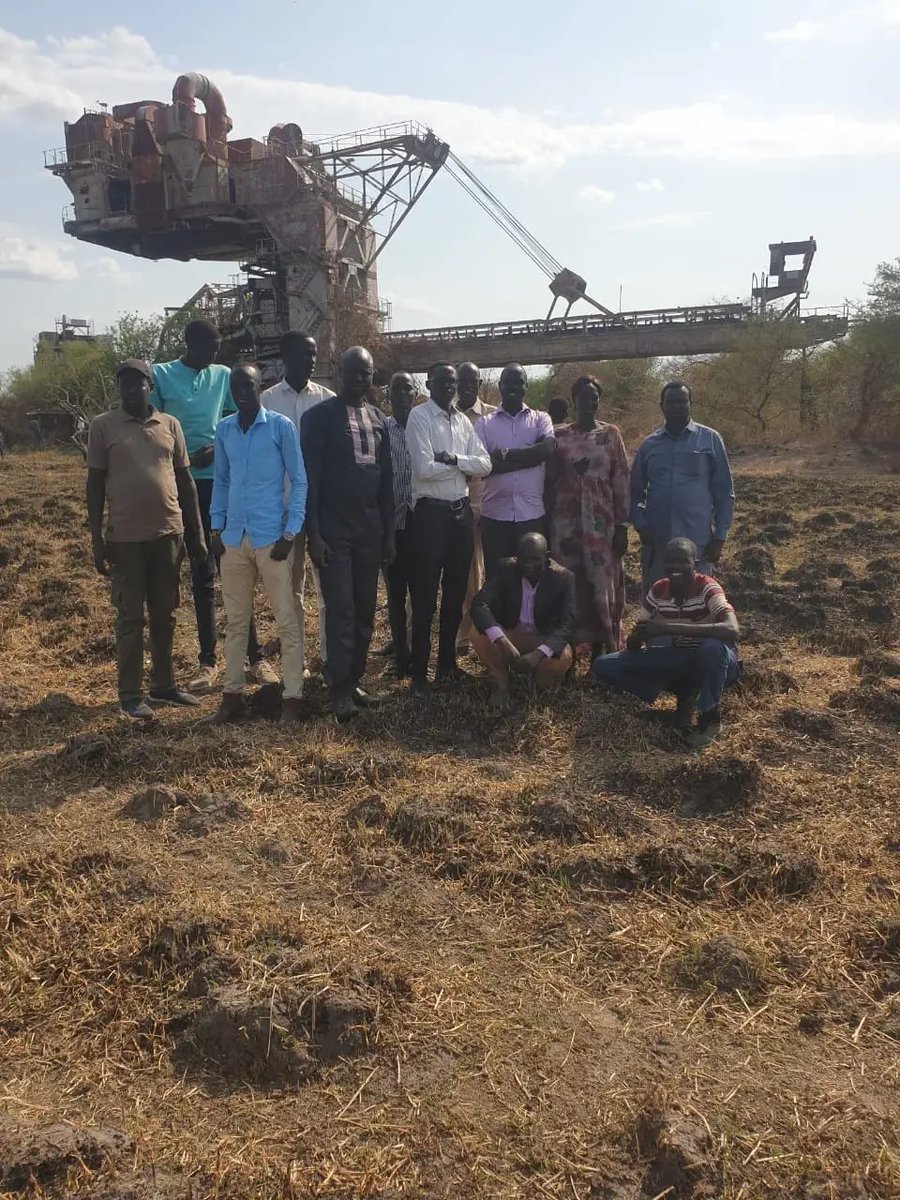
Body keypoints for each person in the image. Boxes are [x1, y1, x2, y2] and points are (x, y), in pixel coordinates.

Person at [152, 319, 274, 693]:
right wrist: (184, 457)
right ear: (189, 344)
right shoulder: (162, 375)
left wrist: (215, 449)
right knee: (201, 573)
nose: (215, 354)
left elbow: (233, 416)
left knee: (236, 569)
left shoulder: (223, 375)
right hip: (180, 487)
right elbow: (153, 425)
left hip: (222, 486)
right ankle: (208, 662)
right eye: (209, 347)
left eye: (218, 347)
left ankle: (256, 657)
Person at [86, 359, 206, 720]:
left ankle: (164, 686)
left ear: (149, 387)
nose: (129, 389)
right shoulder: (103, 427)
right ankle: (130, 693)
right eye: (123, 383)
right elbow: (94, 485)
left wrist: (197, 533)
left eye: (137, 383)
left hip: (168, 534)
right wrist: (96, 538)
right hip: (125, 539)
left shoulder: (170, 425)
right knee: (129, 617)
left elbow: (186, 483)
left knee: (164, 613)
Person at [208, 363, 307, 726]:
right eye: (235, 387)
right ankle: (231, 695)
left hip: (273, 539)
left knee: (287, 621)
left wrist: (290, 533)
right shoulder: (225, 430)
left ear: (259, 386)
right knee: (236, 622)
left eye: (247, 386)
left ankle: (293, 698)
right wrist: (216, 529)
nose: (241, 393)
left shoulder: (281, 427)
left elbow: (299, 482)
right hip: (234, 539)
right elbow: (221, 481)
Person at [302, 347, 395, 721]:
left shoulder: (379, 419)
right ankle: (338, 688)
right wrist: (314, 534)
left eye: (366, 373)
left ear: (373, 377)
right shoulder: (319, 418)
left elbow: (386, 484)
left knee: (365, 612)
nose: (359, 379)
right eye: (352, 372)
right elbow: (310, 481)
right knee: (340, 611)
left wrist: (388, 536)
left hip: (369, 533)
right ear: (338, 373)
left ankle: (354, 680)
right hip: (334, 533)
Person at [592, 537, 741, 749]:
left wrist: (667, 628)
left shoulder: (708, 587)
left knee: (711, 648)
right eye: (671, 562)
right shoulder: (659, 590)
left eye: (683, 562)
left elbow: (732, 630)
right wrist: (638, 638)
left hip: (720, 663)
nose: (676, 567)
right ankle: (681, 696)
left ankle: (710, 717)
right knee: (604, 665)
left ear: (695, 563)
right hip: (679, 657)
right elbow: (635, 642)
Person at [405, 362, 492, 700]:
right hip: (430, 517)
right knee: (425, 598)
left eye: (452, 383)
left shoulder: (462, 421)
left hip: (460, 516)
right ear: (428, 383)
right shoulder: (420, 417)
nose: (448, 388)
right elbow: (424, 469)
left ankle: (446, 666)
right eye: (441, 382)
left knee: (455, 596)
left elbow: (485, 464)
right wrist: (462, 467)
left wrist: (454, 460)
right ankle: (419, 675)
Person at [261, 330, 334, 676]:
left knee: (328, 590)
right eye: (306, 354)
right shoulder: (266, 402)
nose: (313, 360)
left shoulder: (328, 401)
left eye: (315, 354)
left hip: (322, 510)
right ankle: (297, 663)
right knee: (291, 593)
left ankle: (329, 659)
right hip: (284, 511)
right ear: (286, 357)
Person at [546, 376, 629, 657]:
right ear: (574, 400)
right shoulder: (559, 435)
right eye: (584, 397)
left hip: (600, 525)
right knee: (569, 584)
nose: (590, 403)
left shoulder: (610, 435)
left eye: (595, 397)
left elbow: (620, 481)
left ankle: (600, 653)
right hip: (565, 524)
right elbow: (549, 480)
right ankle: (565, 650)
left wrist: (621, 526)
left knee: (601, 584)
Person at [630, 381, 734, 594]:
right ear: (662, 405)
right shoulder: (648, 445)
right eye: (671, 402)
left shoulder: (710, 439)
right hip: (658, 544)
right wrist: (641, 524)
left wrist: (720, 537)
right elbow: (634, 491)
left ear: (690, 403)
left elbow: (724, 493)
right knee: (658, 601)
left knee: (697, 601)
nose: (676, 407)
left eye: (682, 402)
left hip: (698, 545)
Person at [470, 532, 575, 712]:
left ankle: (538, 688)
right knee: (477, 633)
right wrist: (501, 641)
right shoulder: (504, 568)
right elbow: (479, 605)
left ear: (547, 557)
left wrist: (539, 654)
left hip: (541, 636)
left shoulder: (563, 578)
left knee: (562, 656)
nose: (528, 565)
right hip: (511, 633)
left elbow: (568, 624)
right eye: (523, 559)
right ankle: (501, 682)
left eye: (535, 559)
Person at [475, 363, 556, 578]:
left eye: (518, 382)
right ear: (500, 385)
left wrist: (506, 454)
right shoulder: (484, 423)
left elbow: (548, 449)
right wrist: (531, 457)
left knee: (532, 579)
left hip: (532, 516)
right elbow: (484, 466)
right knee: (497, 579)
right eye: (508, 382)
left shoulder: (541, 418)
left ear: (526, 386)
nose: (513, 387)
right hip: (495, 518)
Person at [455, 361, 496, 654]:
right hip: (457, 505)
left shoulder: (493, 417)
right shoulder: (446, 415)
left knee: (487, 573)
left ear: (480, 384)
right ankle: (463, 635)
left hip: (491, 506)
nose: (467, 386)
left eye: (473, 381)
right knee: (466, 575)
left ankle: (487, 630)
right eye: (463, 381)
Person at [382, 372, 416, 678]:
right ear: (388, 395)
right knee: (395, 595)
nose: (402, 394)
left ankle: (418, 656)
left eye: (408, 389)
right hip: (392, 527)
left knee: (421, 596)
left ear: (415, 393)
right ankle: (401, 658)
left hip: (423, 527)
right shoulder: (381, 430)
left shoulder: (425, 426)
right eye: (396, 389)